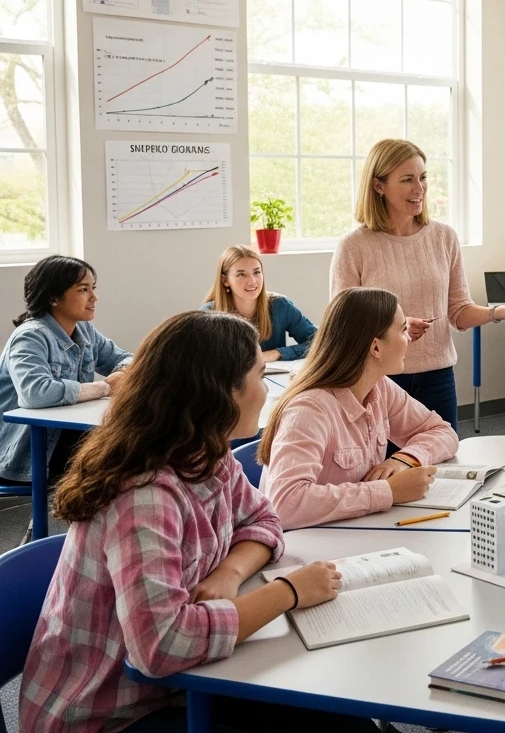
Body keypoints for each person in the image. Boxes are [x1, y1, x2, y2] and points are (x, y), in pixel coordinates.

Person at [20, 311, 374, 733]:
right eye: (259, 376)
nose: (266, 391)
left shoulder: (207, 451)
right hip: (107, 714)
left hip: (174, 685)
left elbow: (263, 518)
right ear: (221, 392)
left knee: (339, 718)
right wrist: (288, 592)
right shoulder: (143, 494)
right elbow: (163, 646)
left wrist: (229, 573)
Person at [330, 139, 505, 432]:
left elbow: (458, 311)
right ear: (379, 186)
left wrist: (499, 312)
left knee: (444, 464)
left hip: (438, 376)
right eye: (407, 180)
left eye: (423, 177)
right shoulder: (354, 246)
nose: (420, 188)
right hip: (380, 379)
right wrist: (397, 329)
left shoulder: (444, 237)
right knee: (387, 470)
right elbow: (344, 326)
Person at [258, 287, 459, 529]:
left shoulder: (380, 387)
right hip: (310, 547)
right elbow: (285, 504)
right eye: (403, 330)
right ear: (376, 347)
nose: (408, 340)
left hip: (357, 531)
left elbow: (443, 432)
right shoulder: (309, 409)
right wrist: (387, 492)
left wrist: (405, 460)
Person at [0, 255, 131, 485]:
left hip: (60, 438)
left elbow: (127, 358)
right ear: (53, 298)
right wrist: (104, 387)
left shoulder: (85, 330)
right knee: (123, 449)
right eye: (83, 289)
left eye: (93, 288)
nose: (94, 297)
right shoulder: (30, 336)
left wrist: (121, 372)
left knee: (136, 439)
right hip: (25, 453)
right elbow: (35, 393)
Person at [203, 244, 316, 361]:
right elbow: (200, 358)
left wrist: (275, 354)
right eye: (241, 275)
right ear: (225, 280)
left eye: (256, 272)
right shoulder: (209, 314)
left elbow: (318, 342)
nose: (252, 281)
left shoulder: (280, 305)